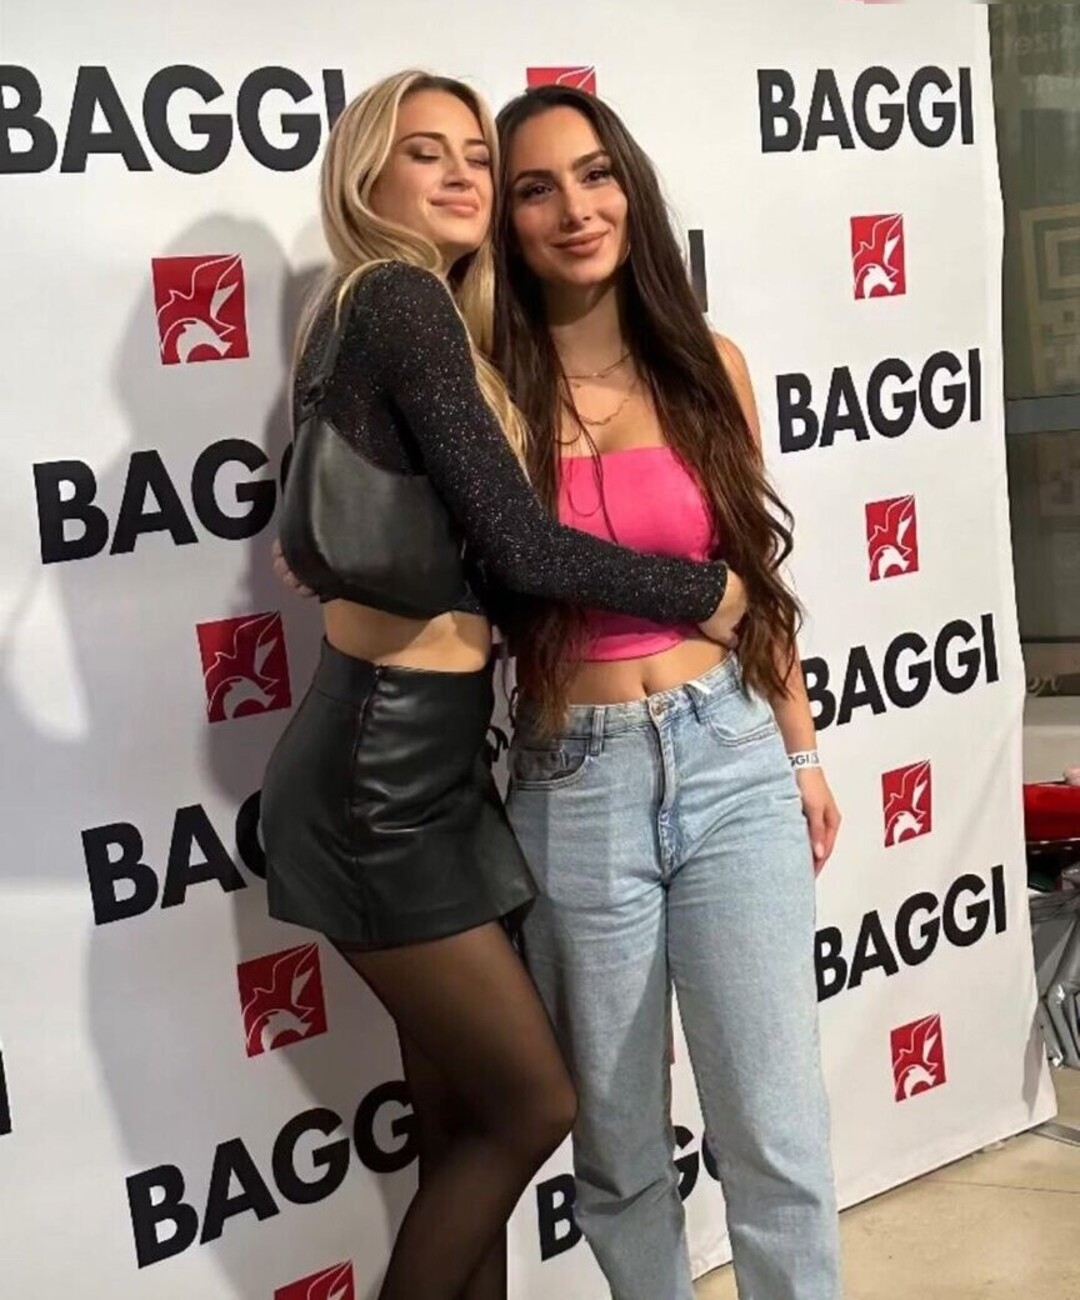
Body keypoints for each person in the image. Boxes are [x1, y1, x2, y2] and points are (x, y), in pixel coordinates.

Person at [260, 69, 746, 1300]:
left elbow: (424, 533)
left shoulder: (388, 312)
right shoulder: (398, 296)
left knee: (462, 1124)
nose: (462, 173)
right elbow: (526, 550)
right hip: (378, 776)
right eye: (427, 152)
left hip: (426, 764)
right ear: (365, 174)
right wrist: (703, 590)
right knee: (532, 1104)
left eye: (475, 153)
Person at [493, 84, 844, 1300]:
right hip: (573, 779)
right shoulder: (488, 390)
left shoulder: (707, 366)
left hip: (732, 757)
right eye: (536, 188)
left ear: (631, 190)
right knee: (619, 1151)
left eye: (595, 175)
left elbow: (756, 581)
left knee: (776, 1133)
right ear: (507, 219)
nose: (575, 208)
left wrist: (801, 751)